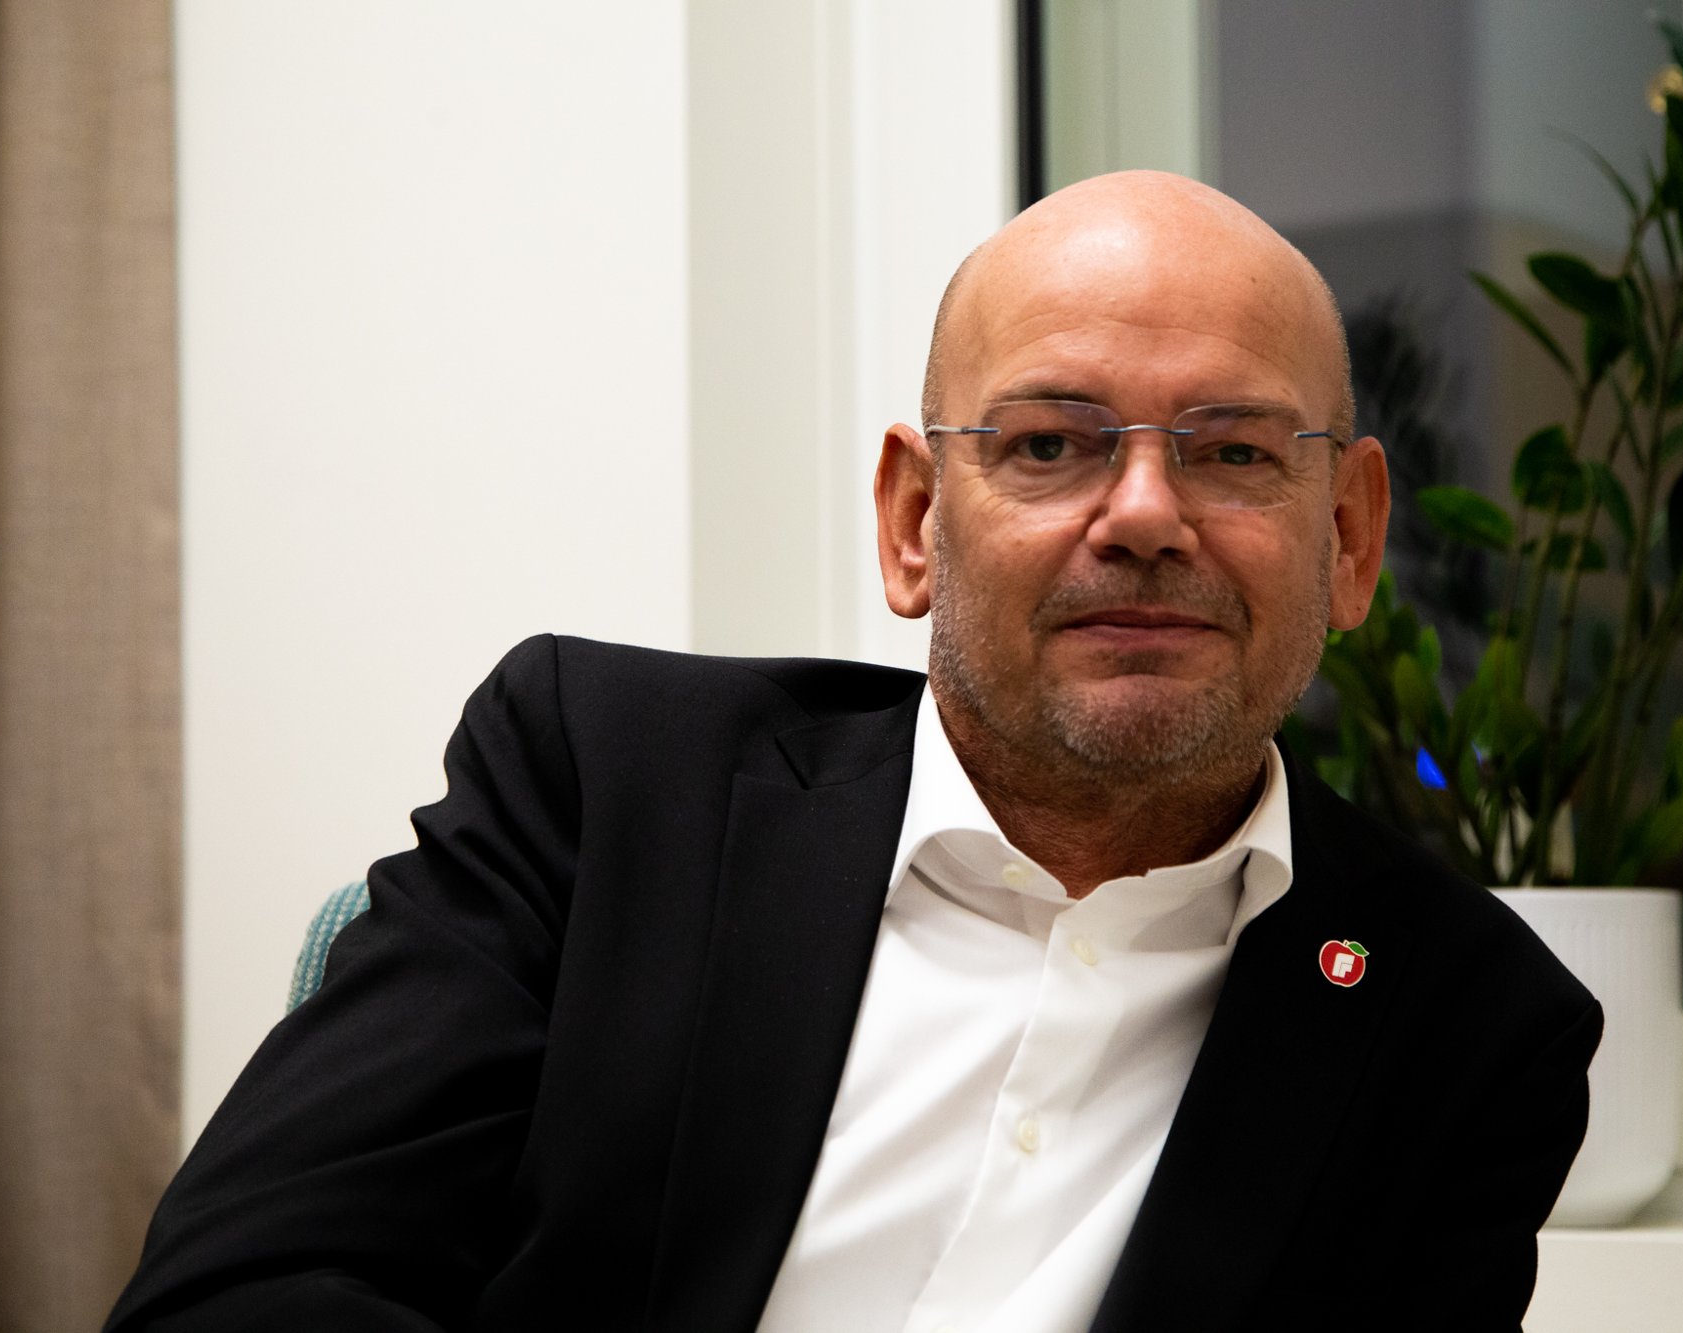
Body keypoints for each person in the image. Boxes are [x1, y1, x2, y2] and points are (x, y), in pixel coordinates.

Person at [106, 170, 1600, 1332]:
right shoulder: (604, 785)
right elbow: (247, 1294)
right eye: (1049, 443)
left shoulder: (1467, 1027)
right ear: (913, 523)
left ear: (1349, 538)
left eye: (1233, 452)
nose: (1147, 514)